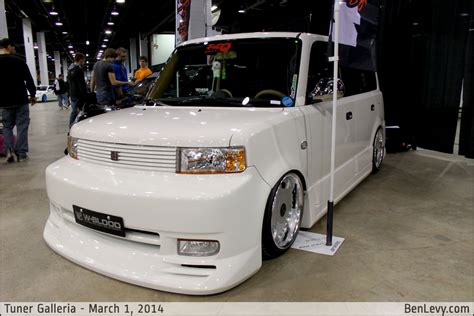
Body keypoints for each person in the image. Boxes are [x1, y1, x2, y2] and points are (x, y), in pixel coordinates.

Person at [0, 38, 36, 162]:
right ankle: (21, 153)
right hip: (20, 99)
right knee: (22, 126)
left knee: (7, 126)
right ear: (8, 46)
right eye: (13, 47)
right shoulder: (19, 61)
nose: (14, 49)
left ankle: (9, 150)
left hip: (4, 101)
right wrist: (32, 95)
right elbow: (29, 80)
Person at [67, 52, 87, 127]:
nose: (84, 61)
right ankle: (74, 126)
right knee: (78, 111)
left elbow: (69, 83)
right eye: (83, 59)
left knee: (74, 111)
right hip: (78, 95)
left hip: (72, 94)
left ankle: (71, 126)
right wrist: (85, 95)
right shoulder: (79, 70)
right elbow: (81, 84)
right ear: (81, 59)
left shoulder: (70, 69)